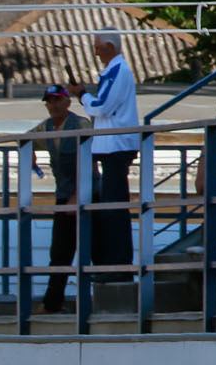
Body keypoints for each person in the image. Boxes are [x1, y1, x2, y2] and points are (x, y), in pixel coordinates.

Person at [77, 29, 139, 282]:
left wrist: (82, 95)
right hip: (110, 147)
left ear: (110, 47)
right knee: (110, 208)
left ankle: (117, 267)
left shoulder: (118, 71)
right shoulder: (115, 71)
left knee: (114, 210)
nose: (95, 52)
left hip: (116, 147)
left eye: (98, 47)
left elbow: (102, 106)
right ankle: (112, 265)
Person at [22, 83, 88, 312]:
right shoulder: (48, 126)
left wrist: (78, 195)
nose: (53, 105)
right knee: (59, 253)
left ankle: (96, 303)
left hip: (89, 196)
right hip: (64, 198)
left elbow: (90, 162)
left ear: (68, 102)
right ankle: (52, 305)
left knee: (95, 250)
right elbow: (25, 138)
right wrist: (29, 154)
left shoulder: (81, 124)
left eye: (57, 100)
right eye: (49, 101)